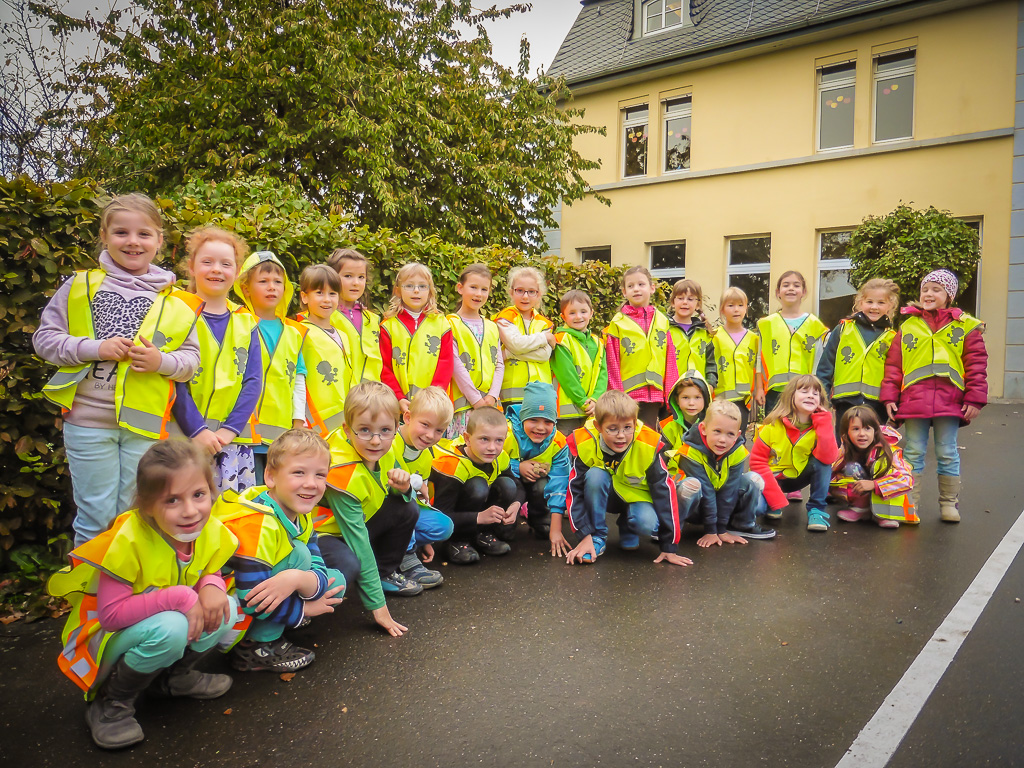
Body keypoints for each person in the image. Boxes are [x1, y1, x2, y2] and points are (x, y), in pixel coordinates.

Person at [48, 441, 240, 749]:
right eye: (172, 500)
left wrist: (212, 586)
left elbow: (207, 569)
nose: (190, 510)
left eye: (199, 494)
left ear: (211, 492)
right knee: (172, 627)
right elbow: (110, 617)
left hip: (156, 625)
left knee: (226, 607)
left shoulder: (208, 531)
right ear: (147, 504)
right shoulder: (128, 541)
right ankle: (112, 703)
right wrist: (182, 598)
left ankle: (173, 679)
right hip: (103, 639)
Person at [34, 193, 201, 545]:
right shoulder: (79, 286)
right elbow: (45, 340)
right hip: (87, 422)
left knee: (136, 516)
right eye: (121, 232)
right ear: (105, 236)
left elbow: (191, 363)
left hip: (144, 425)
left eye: (144, 234)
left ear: (159, 240)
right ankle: (91, 598)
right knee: (95, 517)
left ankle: (127, 596)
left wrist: (162, 362)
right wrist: (95, 348)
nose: (133, 242)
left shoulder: (179, 303)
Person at [215, 429, 345, 672]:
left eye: (320, 475)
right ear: (271, 477)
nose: (311, 483)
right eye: (298, 472)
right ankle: (256, 647)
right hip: (225, 616)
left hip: (257, 600)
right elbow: (251, 600)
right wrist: (304, 609)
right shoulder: (258, 522)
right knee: (300, 555)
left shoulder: (300, 512)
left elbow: (318, 565)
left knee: (336, 581)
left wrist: (299, 579)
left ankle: (279, 623)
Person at [880, 269, 988, 522]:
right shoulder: (908, 326)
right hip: (914, 401)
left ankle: (949, 504)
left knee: (948, 452)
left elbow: (976, 364)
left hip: (950, 402)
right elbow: (894, 366)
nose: (929, 294)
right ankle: (910, 504)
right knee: (913, 452)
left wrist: (974, 398)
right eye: (925, 289)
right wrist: (889, 397)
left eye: (936, 289)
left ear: (949, 296)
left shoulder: (966, 326)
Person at [172, 226, 262, 494]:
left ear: (236, 273)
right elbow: (172, 377)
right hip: (182, 437)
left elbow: (253, 381)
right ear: (191, 267)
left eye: (226, 264)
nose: (216, 270)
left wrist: (229, 431)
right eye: (207, 262)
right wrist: (197, 430)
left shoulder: (247, 322)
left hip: (231, 444)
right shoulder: (175, 312)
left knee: (230, 518)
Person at [317, 382, 423, 609]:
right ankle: (302, 605)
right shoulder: (341, 471)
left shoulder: (387, 444)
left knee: (408, 508)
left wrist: (403, 488)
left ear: (396, 428)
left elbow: (388, 490)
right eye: (364, 430)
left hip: (355, 523)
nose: (376, 440)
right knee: (348, 564)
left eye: (385, 430)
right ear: (347, 429)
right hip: (321, 535)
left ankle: (384, 574)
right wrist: (378, 607)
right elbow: (359, 542)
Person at [563, 390, 691, 567]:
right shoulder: (586, 441)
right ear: (599, 427)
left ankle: (627, 524)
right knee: (595, 475)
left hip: (635, 497)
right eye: (612, 429)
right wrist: (584, 535)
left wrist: (669, 546)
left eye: (627, 428)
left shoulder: (647, 444)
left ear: (634, 424)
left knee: (647, 523)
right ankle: (596, 537)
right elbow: (574, 492)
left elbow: (664, 492)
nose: (621, 435)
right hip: (605, 494)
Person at [233, 250, 308, 482]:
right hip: (242, 434)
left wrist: (298, 422)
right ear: (245, 288)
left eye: (278, 282)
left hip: (280, 434)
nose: (272, 287)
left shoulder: (294, 332)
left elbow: (298, 380)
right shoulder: (236, 324)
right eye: (263, 281)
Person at [674, 399, 776, 546]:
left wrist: (721, 530)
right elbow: (707, 491)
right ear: (703, 428)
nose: (722, 440)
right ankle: (673, 529)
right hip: (697, 509)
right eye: (717, 431)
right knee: (691, 485)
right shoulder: (689, 451)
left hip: (722, 508)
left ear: (738, 434)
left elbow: (730, 490)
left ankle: (742, 525)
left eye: (730, 434)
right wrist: (711, 531)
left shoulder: (738, 452)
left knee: (754, 479)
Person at [430, 406, 521, 563]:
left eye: (499, 440)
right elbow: (440, 515)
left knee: (508, 485)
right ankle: (456, 542)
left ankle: (483, 535)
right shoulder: (453, 465)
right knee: (478, 486)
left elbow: (518, 486)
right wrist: (479, 517)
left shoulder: (500, 457)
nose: (492, 447)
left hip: (475, 516)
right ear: (467, 438)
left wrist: (516, 504)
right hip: (449, 520)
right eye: (484, 439)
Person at [749, 375, 838, 531]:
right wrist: (775, 497)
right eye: (804, 391)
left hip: (798, 477)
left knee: (823, 462)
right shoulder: (771, 427)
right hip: (773, 480)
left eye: (815, 393)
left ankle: (816, 510)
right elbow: (757, 463)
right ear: (791, 396)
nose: (811, 395)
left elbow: (829, 458)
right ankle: (771, 503)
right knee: (758, 509)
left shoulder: (821, 426)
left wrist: (824, 422)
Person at [816, 278, 899, 440]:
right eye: (869, 301)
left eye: (881, 303)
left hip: (876, 406)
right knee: (843, 450)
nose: (874, 307)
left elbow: (895, 374)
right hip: (844, 403)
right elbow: (826, 367)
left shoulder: (892, 337)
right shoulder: (843, 329)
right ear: (860, 303)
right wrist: (822, 399)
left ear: (890, 306)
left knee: (871, 452)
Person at [392, 386, 454, 587]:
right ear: (408, 417)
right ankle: (406, 559)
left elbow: (420, 497)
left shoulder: (426, 456)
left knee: (444, 526)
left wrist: (425, 542)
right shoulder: (391, 443)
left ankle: (399, 547)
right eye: (425, 425)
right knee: (403, 503)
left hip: (406, 511)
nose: (430, 435)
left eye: (438, 430)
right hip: (383, 510)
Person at [605, 266, 678, 428]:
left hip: (656, 397)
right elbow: (612, 362)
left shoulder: (662, 320)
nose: (636, 289)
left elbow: (670, 359)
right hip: (629, 397)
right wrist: (617, 396)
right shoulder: (618, 323)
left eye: (641, 284)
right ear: (624, 292)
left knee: (650, 440)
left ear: (652, 288)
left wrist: (671, 395)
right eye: (630, 286)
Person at [379, 261, 454, 414]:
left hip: (432, 404)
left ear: (430, 292)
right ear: (398, 291)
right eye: (409, 286)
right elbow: (384, 367)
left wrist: (433, 396)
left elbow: (445, 363)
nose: (416, 291)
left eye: (422, 286)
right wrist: (398, 397)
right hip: (397, 404)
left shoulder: (441, 323)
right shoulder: (388, 326)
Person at [504, 381, 571, 547]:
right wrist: (518, 467)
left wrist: (556, 527)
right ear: (522, 417)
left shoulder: (558, 442)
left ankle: (541, 519)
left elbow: (560, 482)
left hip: (537, 485)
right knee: (506, 485)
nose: (541, 428)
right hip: (510, 482)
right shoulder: (506, 432)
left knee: (544, 485)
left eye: (548, 422)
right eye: (533, 420)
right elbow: (492, 463)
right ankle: (504, 521)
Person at [830, 405, 917, 528]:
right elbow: (829, 471)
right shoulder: (846, 449)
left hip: (887, 501)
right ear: (846, 434)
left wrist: (874, 484)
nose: (862, 434)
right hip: (864, 490)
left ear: (875, 431)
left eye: (867, 428)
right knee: (844, 471)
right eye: (855, 429)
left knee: (886, 471)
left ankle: (883, 514)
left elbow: (907, 480)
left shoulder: (890, 451)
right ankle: (861, 508)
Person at [756, 270, 828, 417]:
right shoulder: (767, 324)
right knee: (775, 432)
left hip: (803, 391)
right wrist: (759, 388)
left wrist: (817, 391)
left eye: (796, 285)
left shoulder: (814, 324)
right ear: (778, 292)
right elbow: (759, 358)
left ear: (804, 292)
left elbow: (819, 360)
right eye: (786, 285)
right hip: (775, 391)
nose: (791, 289)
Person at [447, 263, 504, 439]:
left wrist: (492, 397)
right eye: (473, 287)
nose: (478, 294)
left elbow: (499, 364)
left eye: (484, 289)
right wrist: (476, 401)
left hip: (489, 405)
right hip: (463, 407)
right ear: (460, 288)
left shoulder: (492, 326)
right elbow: (455, 364)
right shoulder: (450, 323)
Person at [298, 264, 351, 436]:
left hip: (343, 421)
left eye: (332, 293)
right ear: (305, 297)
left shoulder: (343, 335)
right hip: (313, 422)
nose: (327, 299)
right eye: (319, 293)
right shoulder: (299, 332)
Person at [495, 265, 556, 407]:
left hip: (541, 393)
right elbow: (516, 344)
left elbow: (544, 355)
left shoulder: (545, 323)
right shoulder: (505, 317)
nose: (525, 296)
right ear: (511, 292)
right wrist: (544, 338)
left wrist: (509, 353)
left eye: (531, 292)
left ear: (539, 294)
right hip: (511, 394)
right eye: (520, 291)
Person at [551, 289, 607, 436]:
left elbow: (603, 374)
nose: (578, 317)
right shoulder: (561, 339)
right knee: (566, 452)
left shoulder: (598, 342)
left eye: (583, 311)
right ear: (563, 316)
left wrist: (596, 400)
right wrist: (584, 402)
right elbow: (566, 376)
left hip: (591, 410)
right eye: (572, 313)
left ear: (591, 313)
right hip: (566, 412)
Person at [325, 248, 383, 387]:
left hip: (372, 396)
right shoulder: (326, 316)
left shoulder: (373, 319)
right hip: (339, 394)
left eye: (361, 277)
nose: (356, 282)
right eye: (348, 276)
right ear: (332, 278)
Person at [712, 286, 759, 435]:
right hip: (720, 399)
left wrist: (758, 390)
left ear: (746, 308)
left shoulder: (754, 338)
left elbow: (758, 367)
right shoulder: (715, 336)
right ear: (722, 309)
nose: (736, 310)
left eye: (740, 305)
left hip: (743, 400)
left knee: (739, 436)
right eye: (731, 305)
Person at [668, 278, 718, 389]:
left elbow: (711, 365)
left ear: (698, 304)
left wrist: (710, 384)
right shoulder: (664, 328)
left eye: (690, 299)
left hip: (698, 392)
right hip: (672, 391)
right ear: (673, 302)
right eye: (680, 298)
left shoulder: (704, 332)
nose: (685, 302)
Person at [660, 370, 712, 453]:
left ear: (705, 399)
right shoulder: (667, 426)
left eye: (697, 397)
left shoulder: (711, 425)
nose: (691, 403)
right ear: (677, 400)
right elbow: (662, 458)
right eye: (685, 397)